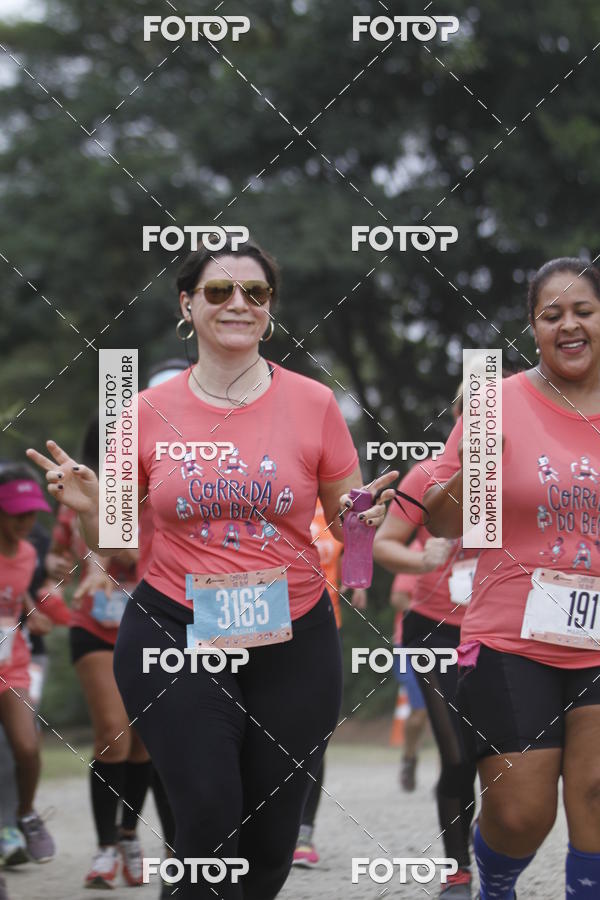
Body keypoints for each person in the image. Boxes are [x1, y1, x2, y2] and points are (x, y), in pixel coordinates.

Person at [27, 237, 396, 900]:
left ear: (270, 309)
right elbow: (116, 552)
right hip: (175, 628)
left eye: (255, 293)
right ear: (187, 305)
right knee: (206, 817)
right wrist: (88, 512)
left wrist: (365, 529)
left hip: (294, 634)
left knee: (271, 842)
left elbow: (350, 531)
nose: (238, 305)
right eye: (219, 291)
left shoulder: (315, 404)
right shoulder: (141, 413)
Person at [424, 258, 600, 900]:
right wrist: (473, 465)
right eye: (552, 315)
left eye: (583, 310)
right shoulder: (496, 403)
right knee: (522, 813)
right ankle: (495, 883)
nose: (569, 325)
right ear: (534, 330)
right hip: (511, 635)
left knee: (595, 791)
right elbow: (444, 521)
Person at [45, 417, 150, 889]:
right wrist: (59, 570)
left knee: (145, 739)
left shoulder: (157, 494)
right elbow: (62, 553)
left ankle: (130, 835)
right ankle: (105, 847)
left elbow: (132, 552)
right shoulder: (77, 494)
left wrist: (111, 554)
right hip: (96, 628)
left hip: (151, 626)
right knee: (114, 735)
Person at [374, 453, 479, 898]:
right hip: (434, 631)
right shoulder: (430, 474)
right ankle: (458, 869)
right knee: (457, 754)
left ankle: (499, 859)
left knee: (497, 756)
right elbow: (384, 544)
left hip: (503, 627)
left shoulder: (533, 462)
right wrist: (423, 561)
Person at [292, 499, 367, 868]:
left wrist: (359, 580)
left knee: (312, 735)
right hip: (263, 626)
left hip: (322, 627)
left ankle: (303, 831)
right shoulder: (274, 490)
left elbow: (355, 540)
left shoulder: (335, 501)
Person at [0, 463, 56, 866]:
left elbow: (13, 596)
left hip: (12, 663)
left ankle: (26, 814)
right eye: (17, 513)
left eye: (32, 512)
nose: (27, 521)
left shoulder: (29, 553)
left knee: (26, 746)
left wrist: (30, 612)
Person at [388, 542, 429, 792]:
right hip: (412, 644)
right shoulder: (418, 549)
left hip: (458, 641)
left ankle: (452, 770)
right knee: (420, 711)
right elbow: (399, 597)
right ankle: (409, 757)